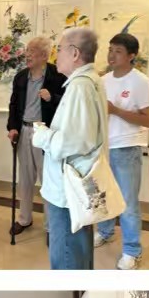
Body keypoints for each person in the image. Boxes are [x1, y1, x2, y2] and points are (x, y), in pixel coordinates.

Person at [30, 27, 108, 269]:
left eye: (60, 49)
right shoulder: (90, 81)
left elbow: (74, 142)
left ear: (75, 53)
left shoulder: (80, 86)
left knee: (66, 255)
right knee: (78, 251)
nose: (56, 55)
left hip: (67, 190)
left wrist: (42, 135)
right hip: (78, 184)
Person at [94, 33, 149, 269]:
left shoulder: (140, 81)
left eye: (118, 51)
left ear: (131, 55)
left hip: (127, 147)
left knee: (128, 203)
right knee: (103, 195)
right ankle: (105, 231)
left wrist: (116, 110)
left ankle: (132, 250)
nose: (112, 55)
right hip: (103, 147)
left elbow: (148, 120)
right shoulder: (103, 80)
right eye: (110, 49)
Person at [6, 35, 65, 236]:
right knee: (25, 178)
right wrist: (12, 127)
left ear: (44, 56)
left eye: (32, 51)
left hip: (45, 132)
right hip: (24, 130)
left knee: (48, 180)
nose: (27, 55)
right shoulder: (21, 77)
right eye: (27, 51)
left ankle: (50, 226)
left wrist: (52, 98)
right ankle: (24, 219)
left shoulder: (57, 76)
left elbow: (68, 104)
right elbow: (14, 104)